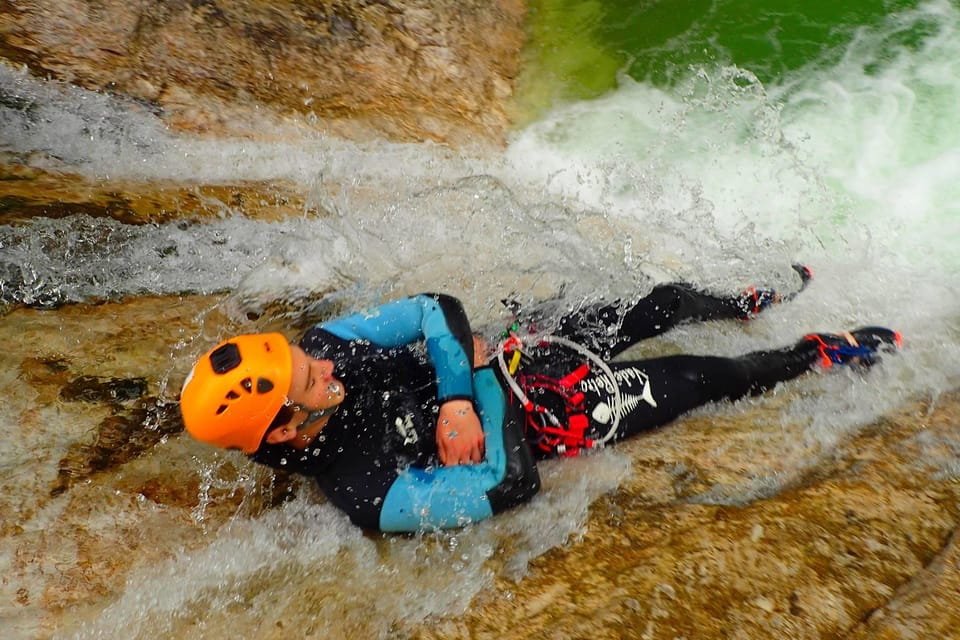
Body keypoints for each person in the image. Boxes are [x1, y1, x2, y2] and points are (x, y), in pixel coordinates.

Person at [179, 267, 901, 532]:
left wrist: (458, 396)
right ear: (281, 434)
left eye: (304, 357)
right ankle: (812, 352)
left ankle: (745, 299)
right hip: (540, 421)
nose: (322, 363)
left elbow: (436, 307)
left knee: (663, 301)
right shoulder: (368, 493)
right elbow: (509, 483)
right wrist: (485, 384)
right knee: (708, 377)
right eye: (310, 381)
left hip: (500, 364)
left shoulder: (326, 345)